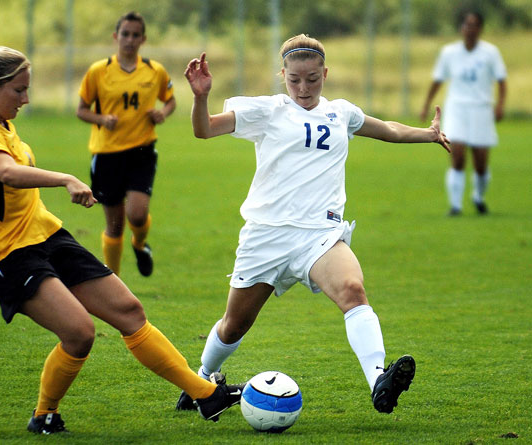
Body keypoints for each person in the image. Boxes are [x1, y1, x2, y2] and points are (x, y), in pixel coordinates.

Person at [0, 46, 242, 434]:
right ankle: (44, 414)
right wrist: (65, 178)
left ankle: (205, 395)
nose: (26, 98)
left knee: (130, 311)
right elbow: (7, 173)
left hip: (46, 235)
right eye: (19, 90)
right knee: (79, 334)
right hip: (8, 254)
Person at [176, 35, 451, 415]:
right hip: (267, 235)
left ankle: (379, 381)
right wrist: (201, 95)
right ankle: (202, 379)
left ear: (325, 74)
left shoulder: (342, 113)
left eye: (312, 79)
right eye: (294, 80)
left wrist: (429, 134)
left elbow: (386, 129)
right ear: (283, 75)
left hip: (319, 235)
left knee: (353, 290)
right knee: (234, 325)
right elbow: (204, 129)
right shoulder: (267, 111)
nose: (303, 88)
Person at [76, 11, 176, 277]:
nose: (130, 40)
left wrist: (161, 114)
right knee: (115, 225)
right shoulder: (99, 71)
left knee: (138, 215)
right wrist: (101, 118)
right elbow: (81, 109)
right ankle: (114, 282)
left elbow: (170, 100)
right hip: (107, 154)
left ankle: (140, 244)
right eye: (125, 34)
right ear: (115, 36)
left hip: (141, 151)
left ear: (143, 39)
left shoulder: (154, 71)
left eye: (135, 35)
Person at [420, 10, 507, 216]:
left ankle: (478, 197)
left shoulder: (490, 53)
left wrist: (500, 105)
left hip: (481, 109)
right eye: (467, 25)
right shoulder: (449, 52)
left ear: (480, 28)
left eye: (474, 25)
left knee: (481, 163)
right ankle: (456, 206)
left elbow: (502, 81)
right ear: (462, 28)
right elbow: (438, 80)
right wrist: (426, 104)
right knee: (457, 156)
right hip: (458, 109)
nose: (470, 29)